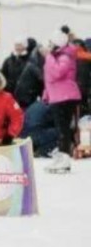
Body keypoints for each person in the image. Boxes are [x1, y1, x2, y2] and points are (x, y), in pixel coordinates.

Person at [43, 30, 81, 172]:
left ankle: (64, 158)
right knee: (60, 128)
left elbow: (56, 73)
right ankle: (60, 156)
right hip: (57, 96)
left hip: (65, 97)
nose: (48, 46)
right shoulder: (57, 56)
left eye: (50, 43)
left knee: (63, 129)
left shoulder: (64, 56)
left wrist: (48, 57)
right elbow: (48, 78)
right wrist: (46, 94)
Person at [13, 45, 45, 109]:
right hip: (27, 96)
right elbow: (42, 78)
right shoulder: (35, 63)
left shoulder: (33, 61)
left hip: (24, 94)